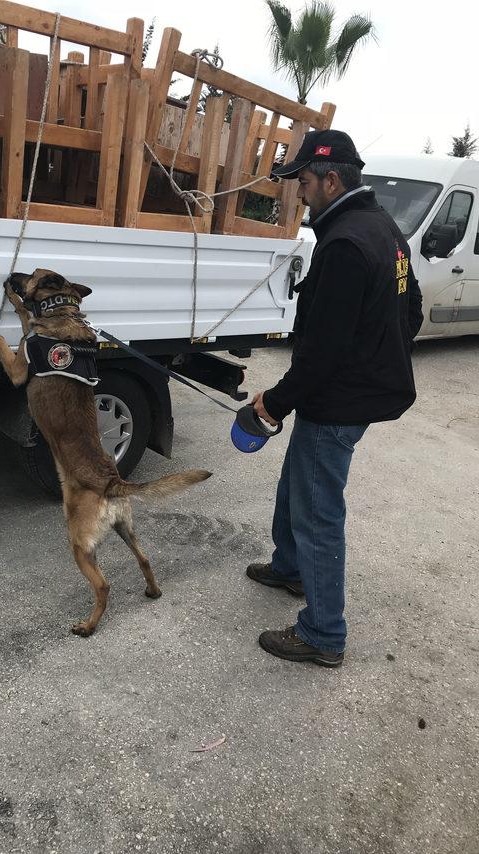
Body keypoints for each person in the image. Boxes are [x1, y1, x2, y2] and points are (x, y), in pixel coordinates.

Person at [247, 129, 423, 668]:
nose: (299, 191)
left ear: (330, 178)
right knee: (298, 482)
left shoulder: (346, 242)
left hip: (340, 401)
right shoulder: (380, 226)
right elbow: (410, 310)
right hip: (352, 390)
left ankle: (323, 633)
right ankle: (290, 566)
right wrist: (372, 353)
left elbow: (320, 354)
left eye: (302, 180)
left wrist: (272, 404)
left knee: (320, 509)